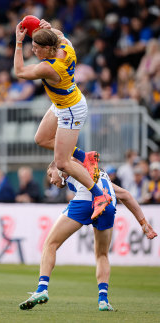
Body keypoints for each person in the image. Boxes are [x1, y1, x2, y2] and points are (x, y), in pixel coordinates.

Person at [19, 153, 157, 312]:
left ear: (57, 167)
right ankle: (103, 300)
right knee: (102, 255)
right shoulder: (99, 175)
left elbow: (69, 152)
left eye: (50, 174)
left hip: (86, 200)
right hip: (108, 203)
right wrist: (143, 223)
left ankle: (42, 289)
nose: (51, 180)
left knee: (50, 244)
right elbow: (125, 195)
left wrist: (65, 145)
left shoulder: (65, 164)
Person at [14, 19, 111, 219]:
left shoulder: (48, 68)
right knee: (41, 139)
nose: (32, 50)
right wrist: (47, 28)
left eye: (35, 47)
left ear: (47, 48)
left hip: (71, 109)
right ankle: (86, 157)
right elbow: (59, 35)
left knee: (62, 163)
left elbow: (20, 71)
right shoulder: (65, 47)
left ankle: (99, 195)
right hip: (64, 101)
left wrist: (18, 42)